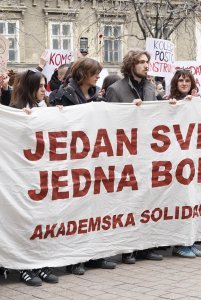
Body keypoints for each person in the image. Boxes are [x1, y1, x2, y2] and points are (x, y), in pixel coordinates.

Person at [53, 57, 116, 274]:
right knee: (75, 212)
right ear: (83, 73)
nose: (99, 75)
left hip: (95, 159)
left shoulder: (98, 95)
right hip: (74, 160)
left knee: (95, 211)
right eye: (94, 72)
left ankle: (94, 256)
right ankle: (74, 258)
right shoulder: (63, 95)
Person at [106, 49, 163, 264]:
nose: (146, 65)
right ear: (131, 65)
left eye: (147, 61)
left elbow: (157, 114)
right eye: (141, 62)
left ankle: (144, 247)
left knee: (146, 201)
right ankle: (127, 248)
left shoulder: (150, 87)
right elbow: (109, 122)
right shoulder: (115, 89)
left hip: (146, 151)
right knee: (127, 203)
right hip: (126, 153)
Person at [10, 69, 59, 286]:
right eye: (39, 86)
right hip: (23, 178)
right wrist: (22, 121)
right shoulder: (14, 111)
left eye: (44, 86)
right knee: (27, 223)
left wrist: (59, 116)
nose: (43, 90)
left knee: (44, 223)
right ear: (30, 88)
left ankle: (42, 263)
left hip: (44, 177)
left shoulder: (45, 107)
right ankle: (25, 268)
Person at [168, 69, 201, 258]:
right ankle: (180, 244)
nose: (183, 84)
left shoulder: (197, 102)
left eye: (187, 81)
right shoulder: (168, 100)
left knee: (193, 202)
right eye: (180, 80)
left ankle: (190, 241)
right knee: (181, 202)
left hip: (193, 159)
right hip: (176, 161)